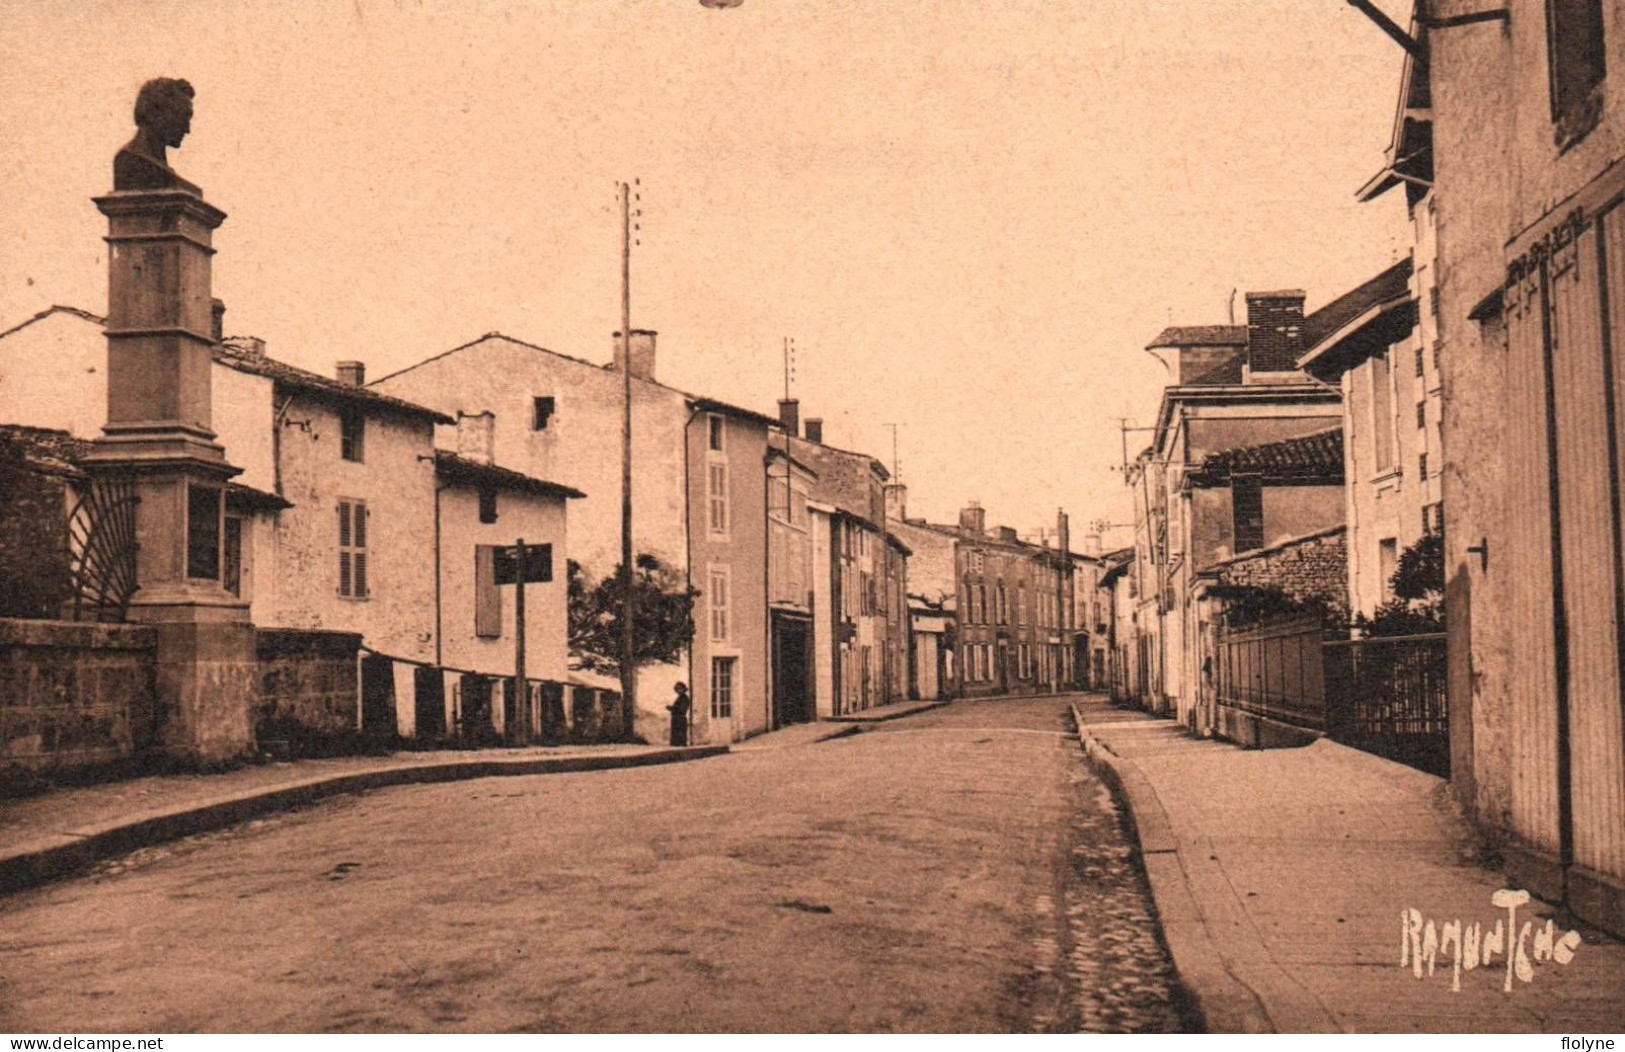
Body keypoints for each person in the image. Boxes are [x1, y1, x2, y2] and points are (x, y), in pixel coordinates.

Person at [667, 682, 692, 746]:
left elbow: (682, 709)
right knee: (676, 737)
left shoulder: (684, 698)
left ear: (683, 689)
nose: (678, 690)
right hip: (677, 719)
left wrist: (672, 708)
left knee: (680, 737)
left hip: (680, 719)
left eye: (680, 689)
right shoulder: (680, 698)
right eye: (677, 689)